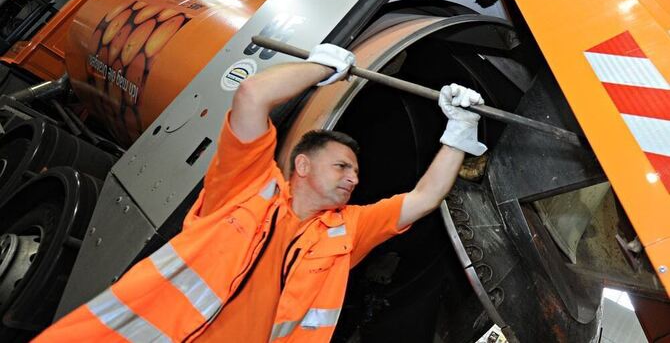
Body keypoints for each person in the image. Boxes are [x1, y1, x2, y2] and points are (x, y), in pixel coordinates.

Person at [35, 44, 486, 342]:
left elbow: (424, 198)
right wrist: (321, 69)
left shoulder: (345, 232)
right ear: (302, 165)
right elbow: (251, 96)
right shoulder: (246, 186)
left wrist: (459, 132)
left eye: (356, 172)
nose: (353, 178)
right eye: (342, 165)